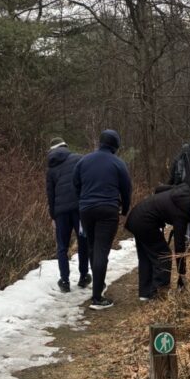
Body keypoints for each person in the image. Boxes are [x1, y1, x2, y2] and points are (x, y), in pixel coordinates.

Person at [73, 129, 132, 310]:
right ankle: (97, 297)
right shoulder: (118, 163)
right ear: (115, 145)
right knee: (101, 250)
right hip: (108, 210)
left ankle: (98, 284)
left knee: (92, 246)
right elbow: (126, 188)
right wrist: (125, 209)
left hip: (86, 209)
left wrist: (82, 202)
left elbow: (75, 183)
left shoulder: (83, 161)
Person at [125, 184, 190, 301]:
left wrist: (158, 209)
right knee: (164, 256)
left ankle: (145, 293)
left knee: (146, 256)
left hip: (136, 216)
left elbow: (158, 189)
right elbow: (179, 245)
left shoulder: (181, 194)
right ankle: (158, 295)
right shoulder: (182, 212)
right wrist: (182, 273)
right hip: (144, 221)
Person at [45, 137, 91, 293]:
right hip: (79, 210)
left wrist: (53, 216)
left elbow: (50, 195)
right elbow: (86, 183)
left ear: (51, 150)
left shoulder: (50, 169)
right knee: (83, 242)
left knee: (62, 246)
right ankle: (84, 276)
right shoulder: (79, 159)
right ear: (65, 146)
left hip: (61, 213)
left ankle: (64, 281)